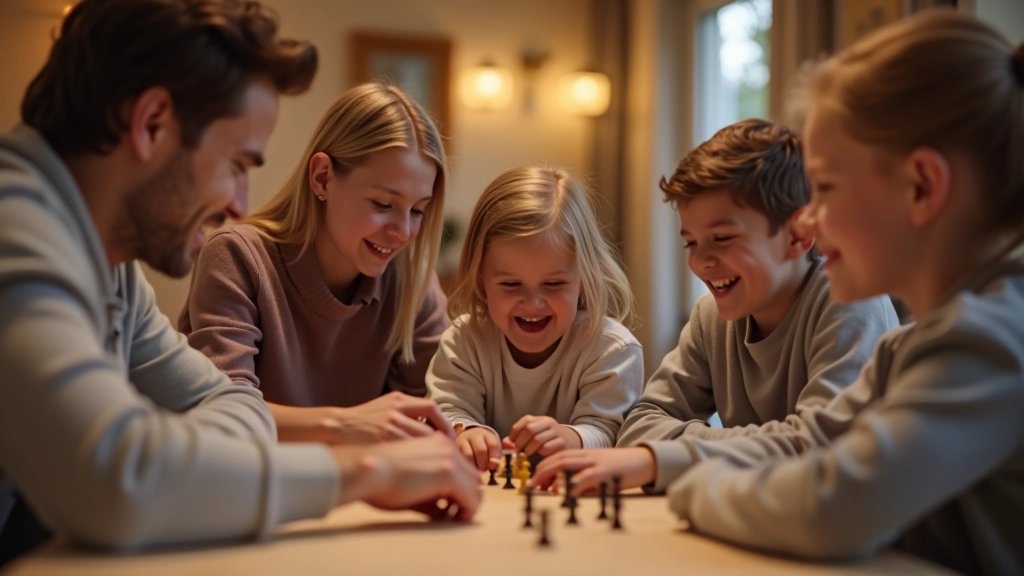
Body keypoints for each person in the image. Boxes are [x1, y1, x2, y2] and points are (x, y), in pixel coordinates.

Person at [538, 11, 1024, 575]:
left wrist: (692, 486)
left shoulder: (989, 338)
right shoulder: (914, 344)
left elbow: (829, 507)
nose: (809, 220)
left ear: (922, 187)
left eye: (827, 187)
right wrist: (657, 459)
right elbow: (814, 442)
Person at [0, 0, 479, 563]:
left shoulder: (112, 267)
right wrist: (366, 471)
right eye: (237, 164)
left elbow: (225, 402)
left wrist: (175, 450)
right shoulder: (15, 226)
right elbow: (119, 479)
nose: (239, 204)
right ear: (151, 124)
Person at [179, 82, 453, 445]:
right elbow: (225, 414)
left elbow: (443, 404)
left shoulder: (412, 279)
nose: (403, 232)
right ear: (322, 177)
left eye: (418, 210)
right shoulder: (237, 256)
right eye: (383, 204)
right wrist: (345, 424)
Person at [426, 167, 644, 472]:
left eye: (553, 284)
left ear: (585, 278)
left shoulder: (613, 350)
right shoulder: (464, 340)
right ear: (480, 279)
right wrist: (467, 432)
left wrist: (571, 437)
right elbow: (448, 411)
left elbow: (608, 430)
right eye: (511, 284)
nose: (532, 303)